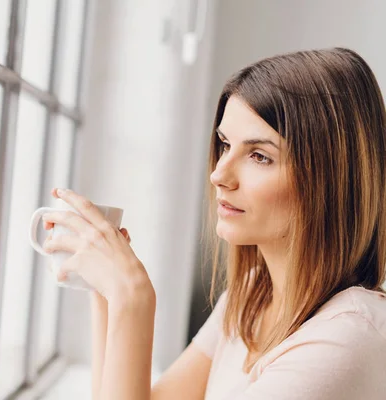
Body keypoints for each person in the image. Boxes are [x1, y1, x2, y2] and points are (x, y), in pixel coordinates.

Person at [40, 47, 386, 400]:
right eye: (224, 144)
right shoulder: (253, 294)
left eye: (259, 156)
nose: (219, 174)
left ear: (332, 181)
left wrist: (133, 298)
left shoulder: (347, 337)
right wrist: (107, 291)